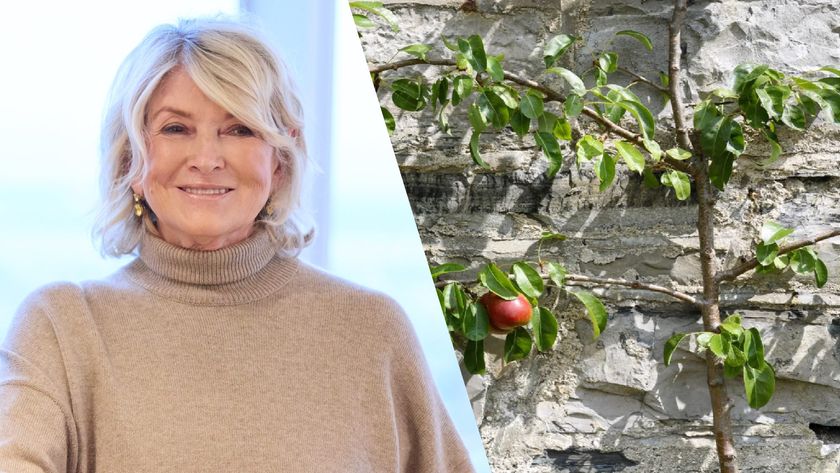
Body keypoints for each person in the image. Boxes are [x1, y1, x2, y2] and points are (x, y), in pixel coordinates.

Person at [0, 18, 474, 472]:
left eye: (240, 129)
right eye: (175, 128)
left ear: (280, 163)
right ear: (131, 161)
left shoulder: (372, 332)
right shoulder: (61, 329)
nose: (207, 159)